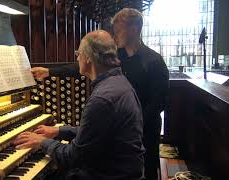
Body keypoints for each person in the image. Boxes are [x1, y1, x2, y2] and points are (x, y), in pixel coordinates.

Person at [31, 8, 169, 180]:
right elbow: (100, 129)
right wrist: (50, 72)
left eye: (118, 30)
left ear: (134, 29)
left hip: (145, 133)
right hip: (124, 136)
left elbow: (159, 103)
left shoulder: (153, 62)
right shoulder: (118, 66)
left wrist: (41, 142)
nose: (115, 35)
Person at [14, 30, 145, 179]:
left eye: (78, 53)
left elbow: (74, 157)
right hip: (123, 169)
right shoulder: (118, 82)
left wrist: (42, 142)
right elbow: (96, 133)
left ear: (88, 58)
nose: (77, 57)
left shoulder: (102, 98)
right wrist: (59, 131)